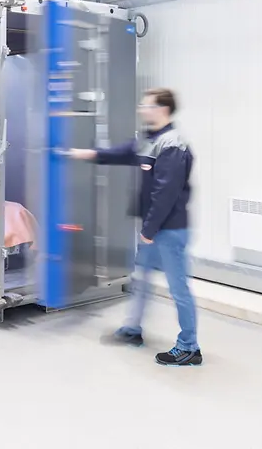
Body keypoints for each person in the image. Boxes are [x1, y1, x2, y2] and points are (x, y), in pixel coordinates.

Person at [66, 87, 200, 367]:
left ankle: (189, 347)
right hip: (153, 229)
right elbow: (119, 153)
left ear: (162, 109)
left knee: (179, 289)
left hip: (169, 230)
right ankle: (133, 329)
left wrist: (149, 231)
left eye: (146, 105)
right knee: (141, 282)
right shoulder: (148, 140)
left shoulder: (172, 144)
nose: (142, 109)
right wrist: (80, 154)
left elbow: (166, 193)